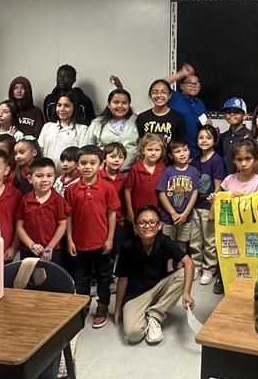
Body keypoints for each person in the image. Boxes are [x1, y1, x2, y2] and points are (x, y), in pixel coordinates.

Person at [114, 206, 195, 344]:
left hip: (159, 288)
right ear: (136, 227)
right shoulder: (128, 246)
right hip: (136, 294)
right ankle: (145, 313)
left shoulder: (164, 241)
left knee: (182, 274)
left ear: (159, 225)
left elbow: (189, 263)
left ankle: (154, 316)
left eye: (152, 222)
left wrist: (186, 293)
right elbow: (122, 279)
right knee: (133, 334)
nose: (147, 226)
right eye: (142, 222)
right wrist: (117, 309)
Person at [65, 144, 119, 328]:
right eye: (83, 163)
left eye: (92, 163)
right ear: (77, 166)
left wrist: (110, 238)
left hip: (101, 242)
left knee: (104, 275)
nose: (88, 167)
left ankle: (102, 306)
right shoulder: (71, 190)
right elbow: (69, 216)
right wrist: (70, 239)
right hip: (79, 243)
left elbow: (112, 213)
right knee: (82, 276)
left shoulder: (107, 188)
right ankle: (83, 305)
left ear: (101, 165)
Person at [15, 157, 70, 262]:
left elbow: (63, 225)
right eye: (39, 176)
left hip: (53, 250)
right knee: (28, 277)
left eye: (49, 176)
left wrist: (50, 248)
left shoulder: (58, 200)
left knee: (52, 277)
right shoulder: (25, 200)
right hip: (29, 250)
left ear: (54, 177)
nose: (44, 180)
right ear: (30, 179)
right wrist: (31, 245)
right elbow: (19, 227)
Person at [191, 125, 225, 285]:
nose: (204, 140)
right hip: (195, 205)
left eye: (208, 137)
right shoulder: (196, 159)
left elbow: (218, 185)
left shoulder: (217, 160)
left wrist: (213, 201)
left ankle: (209, 268)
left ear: (215, 140)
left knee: (209, 239)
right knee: (195, 239)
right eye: (201, 137)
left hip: (208, 206)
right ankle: (196, 265)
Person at [158, 137, 199, 250]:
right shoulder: (167, 171)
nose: (182, 154)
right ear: (171, 156)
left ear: (189, 151)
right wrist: (172, 213)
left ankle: (182, 266)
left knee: (182, 243)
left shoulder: (194, 171)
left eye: (185, 150)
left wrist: (185, 214)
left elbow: (194, 193)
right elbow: (161, 193)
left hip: (186, 217)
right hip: (168, 217)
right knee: (167, 244)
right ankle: (169, 266)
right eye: (177, 151)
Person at [87, 89, 140, 167]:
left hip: (130, 173)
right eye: (116, 102)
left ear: (129, 105)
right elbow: (86, 149)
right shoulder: (97, 123)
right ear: (109, 104)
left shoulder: (137, 121)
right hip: (103, 173)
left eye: (124, 103)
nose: (120, 106)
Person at [124, 133, 166, 223]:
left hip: (155, 215)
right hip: (137, 214)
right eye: (150, 149)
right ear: (143, 150)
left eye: (157, 150)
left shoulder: (163, 169)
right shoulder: (135, 168)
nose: (153, 153)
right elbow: (127, 190)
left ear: (162, 151)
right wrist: (130, 212)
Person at [166, 66, 208, 150]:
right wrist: (181, 74)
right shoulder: (174, 97)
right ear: (181, 86)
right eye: (189, 83)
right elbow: (159, 85)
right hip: (175, 150)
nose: (193, 86)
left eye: (196, 83)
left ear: (199, 87)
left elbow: (203, 123)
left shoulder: (200, 103)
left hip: (196, 150)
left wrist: (208, 124)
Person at [136, 79, 187, 146]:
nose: (159, 95)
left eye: (163, 92)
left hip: (170, 156)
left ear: (169, 95)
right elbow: (140, 144)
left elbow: (181, 144)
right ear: (150, 95)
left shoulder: (178, 117)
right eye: (155, 92)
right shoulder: (142, 117)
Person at [38, 93, 88, 162]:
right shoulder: (47, 126)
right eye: (59, 105)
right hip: (48, 171)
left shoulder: (82, 129)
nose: (61, 109)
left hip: (71, 172)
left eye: (67, 106)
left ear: (74, 107)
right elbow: (40, 150)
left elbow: (82, 155)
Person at [219, 97, 251, 172]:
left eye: (236, 112)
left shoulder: (250, 136)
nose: (232, 114)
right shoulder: (223, 137)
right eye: (228, 112)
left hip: (243, 179)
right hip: (226, 180)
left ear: (245, 115)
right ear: (224, 115)